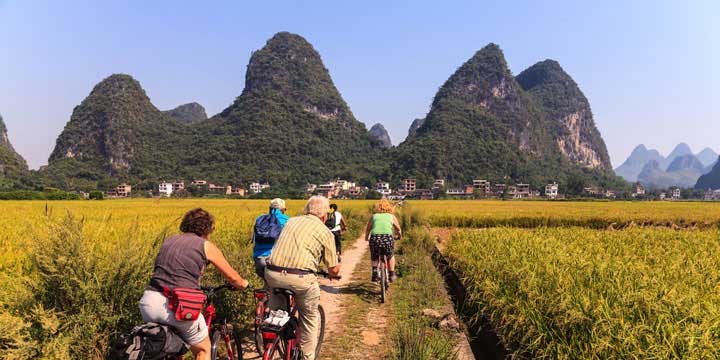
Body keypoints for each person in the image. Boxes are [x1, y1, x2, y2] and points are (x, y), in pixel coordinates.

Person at [139, 208, 250, 360]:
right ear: (208, 228)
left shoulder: (169, 240)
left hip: (149, 302)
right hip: (177, 306)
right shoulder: (205, 245)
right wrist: (244, 284)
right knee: (203, 350)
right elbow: (233, 277)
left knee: (168, 345)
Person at [265, 196, 340, 360]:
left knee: (275, 316)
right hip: (301, 278)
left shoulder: (290, 221)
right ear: (324, 216)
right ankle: (307, 357)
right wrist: (334, 274)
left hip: (271, 273)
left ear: (307, 210)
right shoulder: (325, 232)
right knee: (309, 321)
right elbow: (333, 268)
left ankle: (270, 343)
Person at [365, 199, 402, 283]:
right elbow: (398, 230)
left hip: (375, 238)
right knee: (390, 255)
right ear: (389, 208)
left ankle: (374, 272)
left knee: (374, 255)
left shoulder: (374, 216)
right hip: (387, 238)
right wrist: (399, 236)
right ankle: (392, 274)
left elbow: (368, 230)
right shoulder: (391, 216)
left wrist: (366, 238)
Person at [253, 198, 289, 282]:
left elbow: (254, 240)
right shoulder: (287, 220)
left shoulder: (260, 219)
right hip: (277, 261)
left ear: (270, 209)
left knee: (267, 284)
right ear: (283, 210)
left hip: (259, 259)